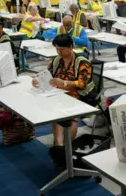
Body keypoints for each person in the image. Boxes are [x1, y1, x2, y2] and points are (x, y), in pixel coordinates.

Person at [32, 34, 96, 165]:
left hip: (82, 95)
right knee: (55, 111)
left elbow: (82, 83)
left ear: (71, 47)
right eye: (57, 49)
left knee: (69, 114)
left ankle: (66, 145)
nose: (59, 52)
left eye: (62, 49)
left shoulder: (83, 62)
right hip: (62, 94)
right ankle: (59, 145)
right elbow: (47, 74)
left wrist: (65, 83)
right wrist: (38, 79)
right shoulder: (56, 61)